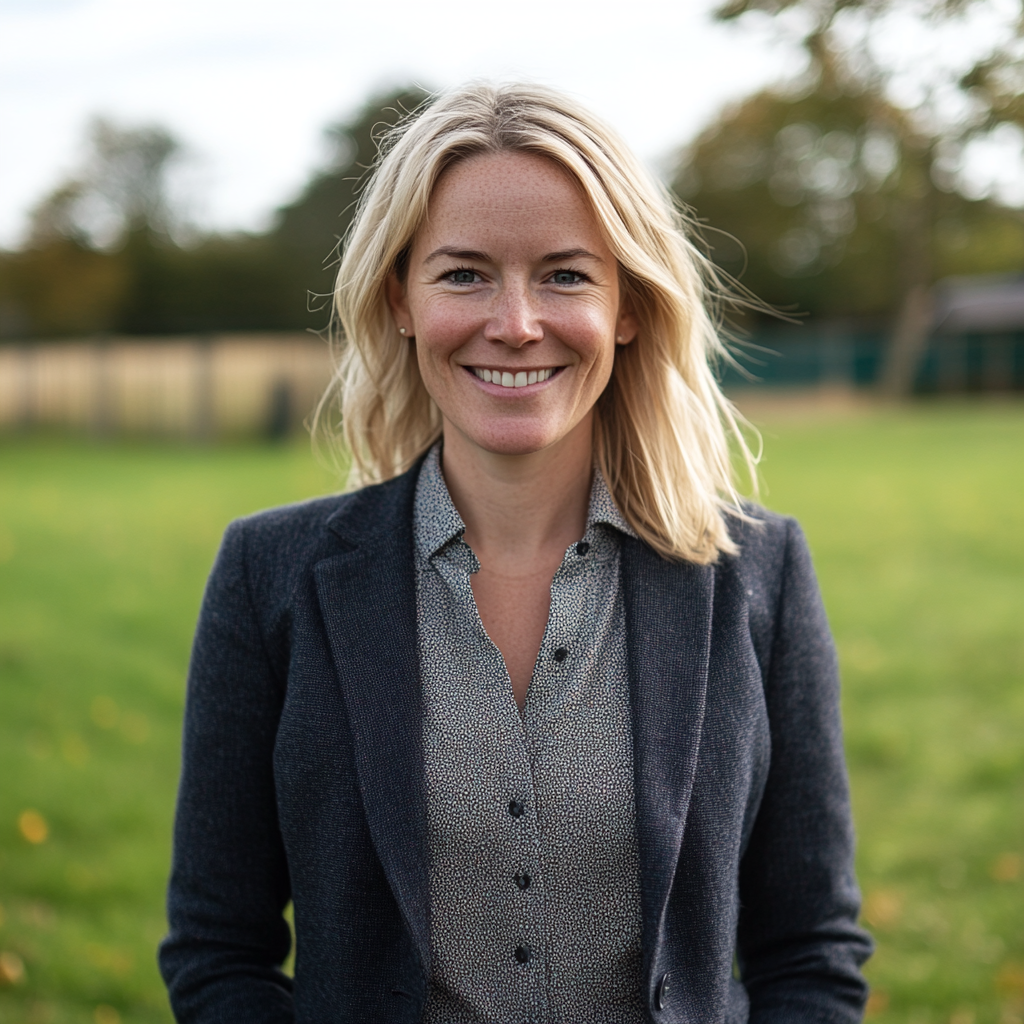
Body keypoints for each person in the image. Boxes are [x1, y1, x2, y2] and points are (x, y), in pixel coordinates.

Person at [159, 82, 872, 1024]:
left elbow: (810, 954)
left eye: (567, 275)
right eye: (463, 274)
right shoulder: (269, 576)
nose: (517, 322)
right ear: (399, 299)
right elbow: (219, 951)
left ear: (628, 306)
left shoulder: (756, 572)